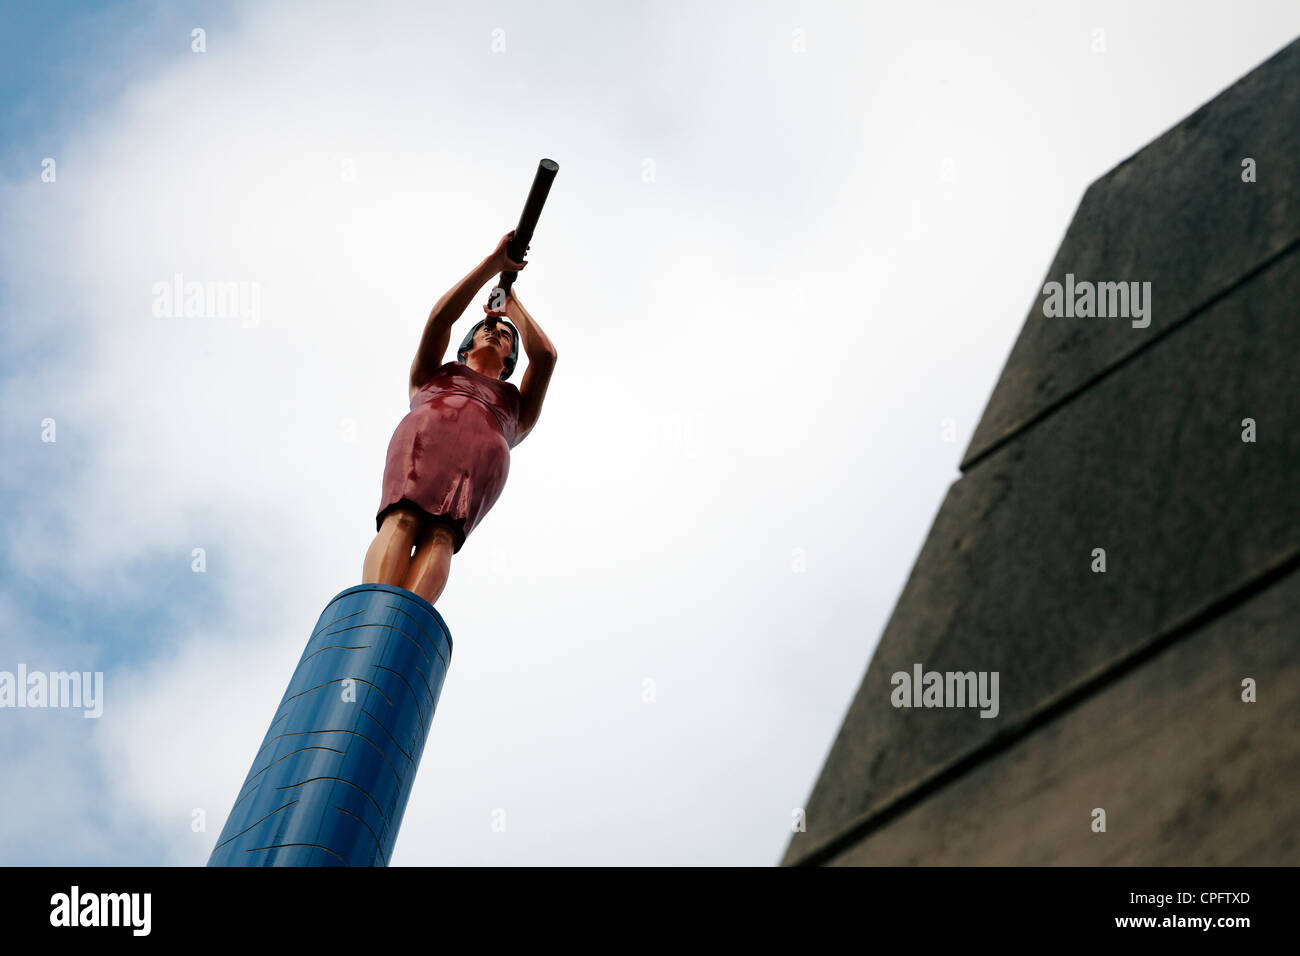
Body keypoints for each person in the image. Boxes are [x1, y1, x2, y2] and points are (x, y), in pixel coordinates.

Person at [362, 230, 557, 604]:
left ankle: (410, 615)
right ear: (467, 344)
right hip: (425, 437)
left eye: (506, 336)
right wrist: (492, 265)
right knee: (401, 518)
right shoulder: (433, 376)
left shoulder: (516, 406)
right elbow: (440, 318)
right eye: (489, 327)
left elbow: (546, 356)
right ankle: (374, 605)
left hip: (480, 457)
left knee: (442, 533)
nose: (496, 333)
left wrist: (511, 305)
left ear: (511, 359)